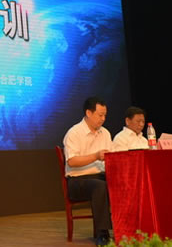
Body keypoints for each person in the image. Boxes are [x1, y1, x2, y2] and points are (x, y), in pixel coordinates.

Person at [63, 96, 113, 246]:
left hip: (100, 176)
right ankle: (102, 234)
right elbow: (72, 161)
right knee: (100, 186)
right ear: (88, 113)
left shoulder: (105, 133)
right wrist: (96, 156)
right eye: (100, 115)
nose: (103, 119)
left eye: (105, 115)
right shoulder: (74, 133)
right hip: (78, 181)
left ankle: (126, 228)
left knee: (123, 184)